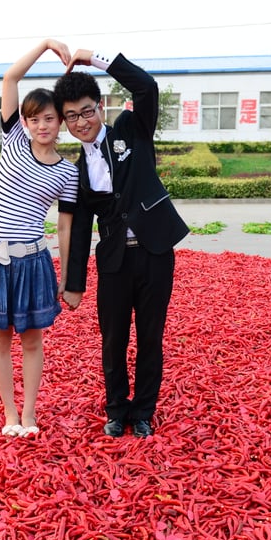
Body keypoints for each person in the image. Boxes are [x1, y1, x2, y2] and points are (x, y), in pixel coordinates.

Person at [54, 49, 189, 439]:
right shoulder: (73, 171)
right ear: (65, 122)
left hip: (154, 253)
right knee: (113, 341)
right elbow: (79, 228)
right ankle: (116, 410)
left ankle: (144, 410)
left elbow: (146, 86)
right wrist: (74, 283)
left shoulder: (131, 128)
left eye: (87, 110)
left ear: (100, 107)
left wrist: (94, 58)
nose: (82, 121)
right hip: (113, 263)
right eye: (72, 116)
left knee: (151, 337)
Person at [0, 39, 79, 437]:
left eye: (48, 118)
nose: (41, 126)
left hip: (32, 261)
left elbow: (65, 227)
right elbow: (10, 77)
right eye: (34, 119)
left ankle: (29, 414)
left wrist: (67, 277)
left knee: (31, 341)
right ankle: (9, 414)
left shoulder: (68, 172)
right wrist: (45, 44)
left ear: (59, 122)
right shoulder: (12, 141)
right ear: (24, 122)